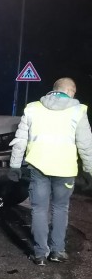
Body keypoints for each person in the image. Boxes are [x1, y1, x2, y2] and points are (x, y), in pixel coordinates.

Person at [9, 77, 92, 265]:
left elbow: (20, 140)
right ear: (70, 91)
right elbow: (86, 145)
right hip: (65, 169)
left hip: (38, 167)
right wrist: (89, 170)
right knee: (60, 208)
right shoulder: (78, 111)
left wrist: (15, 166)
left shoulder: (32, 108)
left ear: (53, 90)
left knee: (39, 209)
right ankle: (57, 251)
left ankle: (40, 254)